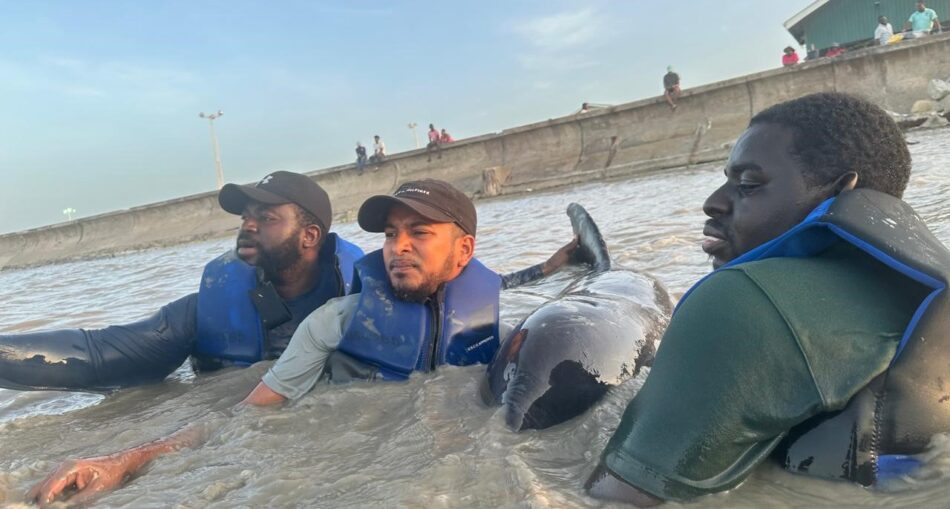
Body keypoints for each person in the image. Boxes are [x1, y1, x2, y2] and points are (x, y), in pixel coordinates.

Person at [27, 179, 580, 505]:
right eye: (390, 234)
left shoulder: (498, 330)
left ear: (464, 253)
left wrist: (554, 267)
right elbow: (242, 416)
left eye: (419, 233)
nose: (398, 247)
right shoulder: (334, 322)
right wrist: (127, 458)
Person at [586, 92, 950, 505]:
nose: (713, 202)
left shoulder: (745, 301)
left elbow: (616, 498)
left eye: (747, 185)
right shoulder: (921, 288)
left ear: (841, 191)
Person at [0, 171, 364, 392]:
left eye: (266, 217)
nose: (248, 225)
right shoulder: (204, 311)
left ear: (310, 236)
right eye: (245, 217)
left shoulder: (367, 298)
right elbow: (100, 353)